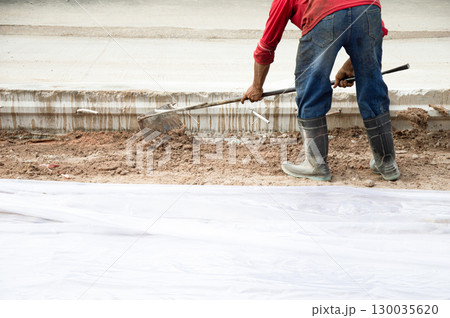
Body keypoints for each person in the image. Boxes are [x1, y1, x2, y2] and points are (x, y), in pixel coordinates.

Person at [241, 0, 400, 182]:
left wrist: (257, 86)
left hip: (324, 11)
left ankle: (316, 164)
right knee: (373, 83)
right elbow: (374, 30)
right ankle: (387, 163)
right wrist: (352, 66)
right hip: (369, 8)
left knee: (311, 86)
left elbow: (267, 44)